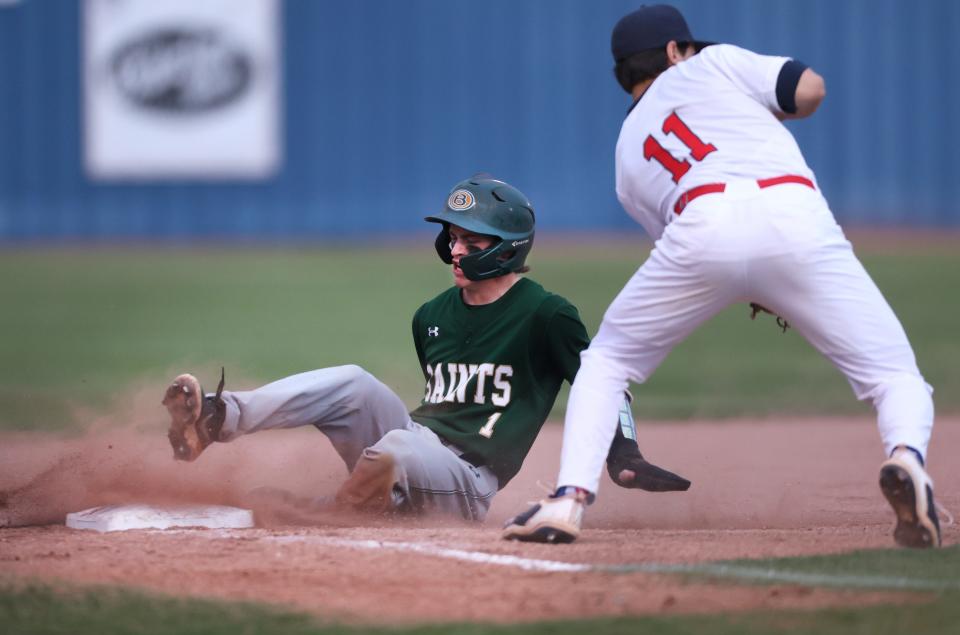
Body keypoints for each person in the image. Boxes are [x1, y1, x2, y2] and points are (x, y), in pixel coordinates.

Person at [503, 5, 941, 547]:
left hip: (700, 223)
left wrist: (746, 279)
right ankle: (907, 459)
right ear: (673, 51)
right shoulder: (717, 62)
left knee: (608, 362)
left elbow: (690, 246)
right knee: (894, 374)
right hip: (794, 215)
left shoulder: (625, 154)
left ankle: (568, 501)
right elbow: (809, 91)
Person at [162, 175, 689, 522]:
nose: (456, 250)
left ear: (508, 250)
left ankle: (332, 513)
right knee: (354, 382)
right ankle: (216, 417)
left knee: (401, 451)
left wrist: (625, 454)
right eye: (454, 238)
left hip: (467, 484)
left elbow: (603, 381)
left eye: (472, 242)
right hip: (418, 447)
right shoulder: (431, 316)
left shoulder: (547, 314)